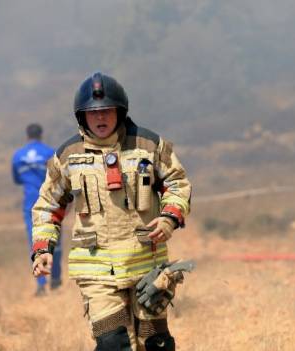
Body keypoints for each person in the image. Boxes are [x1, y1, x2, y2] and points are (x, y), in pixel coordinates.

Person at [30, 72, 192, 351]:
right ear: (82, 116)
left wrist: (169, 218)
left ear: (120, 111)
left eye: (107, 111)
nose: (101, 118)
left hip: (147, 265)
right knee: (113, 344)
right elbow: (49, 204)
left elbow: (176, 183)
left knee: (154, 343)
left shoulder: (148, 145)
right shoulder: (68, 155)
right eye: (93, 113)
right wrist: (43, 249)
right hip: (97, 271)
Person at [12, 123, 61, 296]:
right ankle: (55, 279)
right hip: (50, 202)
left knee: (36, 243)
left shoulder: (18, 156)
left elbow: (17, 179)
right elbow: (58, 179)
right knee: (55, 241)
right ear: (41, 134)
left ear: (27, 135)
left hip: (30, 204)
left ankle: (41, 284)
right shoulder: (49, 153)